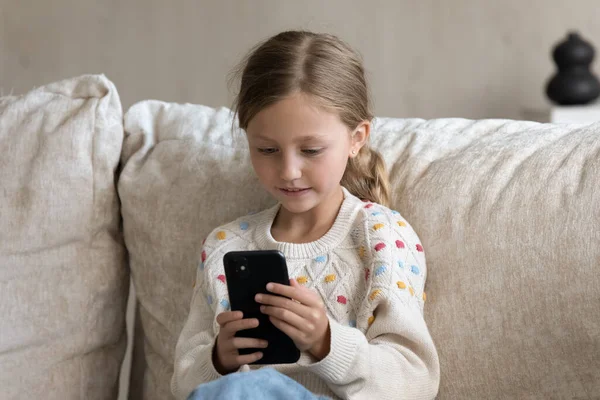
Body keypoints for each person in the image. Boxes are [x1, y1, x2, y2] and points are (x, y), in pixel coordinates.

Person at [171, 30, 440, 400]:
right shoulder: (224, 247)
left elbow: (415, 381)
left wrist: (326, 341)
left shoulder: (381, 236)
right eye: (267, 149)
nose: (288, 171)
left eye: (311, 150)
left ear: (356, 138)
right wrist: (218, 360)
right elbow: (184, 385)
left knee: (253, 389)